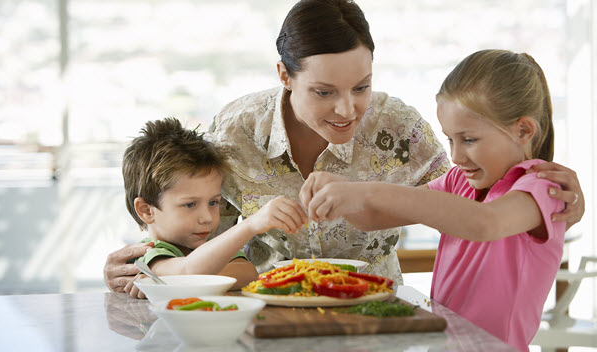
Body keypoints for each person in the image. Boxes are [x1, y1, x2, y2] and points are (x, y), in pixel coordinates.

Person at [103, 0, 585, 294]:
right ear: (284, 75)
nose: (347, 110)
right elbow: (186, 219)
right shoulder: (233, 132)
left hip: (378, 316)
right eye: (324, 92)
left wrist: (571, 202)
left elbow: (483, 188)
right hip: (260, 316)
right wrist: (147, 262)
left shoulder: (399, 126)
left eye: (361, 86)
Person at [300, 49, 568, 351]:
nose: (455, 156)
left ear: (523, 130)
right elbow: (375, 217)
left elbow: (485, 222)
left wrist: (365, 191)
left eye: (469, 139)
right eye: (450, 139)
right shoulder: (458, 182)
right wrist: (343, 193)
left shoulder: (544, 189)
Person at [121, 117, 307, 298]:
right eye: (190, 204)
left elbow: (248, 272)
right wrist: (250, 225)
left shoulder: (210, 246)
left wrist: (180, 279)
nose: (207, 218)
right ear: (146, 210)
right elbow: (188, 270)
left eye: (213, 202)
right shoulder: (149, 257)